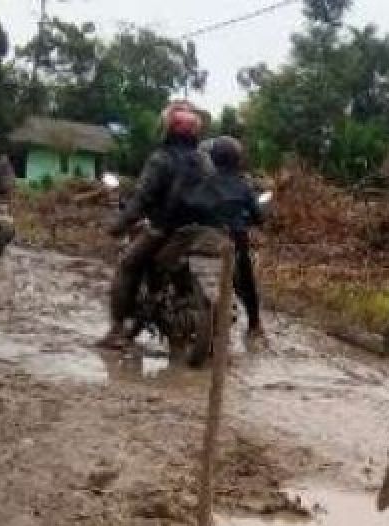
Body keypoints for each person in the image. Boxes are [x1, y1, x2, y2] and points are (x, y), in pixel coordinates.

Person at [97, 102, 208, 350]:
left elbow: (142, 198)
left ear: (167, 128)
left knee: (127, 265)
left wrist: (118, 225)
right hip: (199, 232)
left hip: (165, 229)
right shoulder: (204, 161)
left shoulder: (161, 159)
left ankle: (118, 329)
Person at [204, 136, 266, 338]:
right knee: (246, 282)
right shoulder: (243, 186)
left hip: (205, 238)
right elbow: (259, 216)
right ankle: (254, 325)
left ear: (213, 157)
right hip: (235, 240)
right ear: (237, 159)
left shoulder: (204, 181)